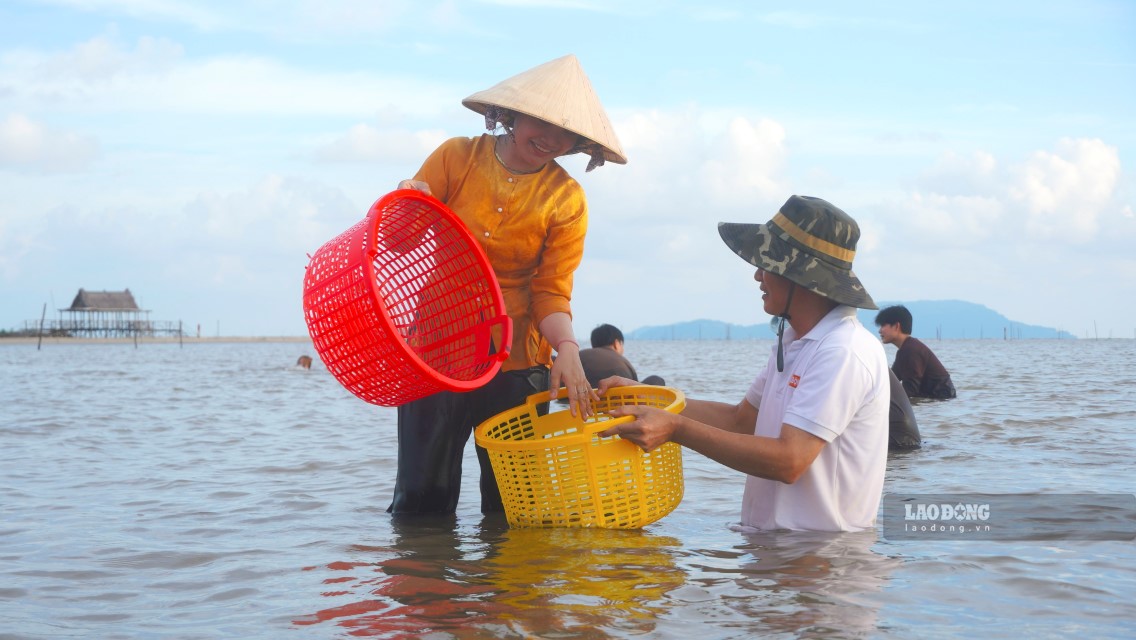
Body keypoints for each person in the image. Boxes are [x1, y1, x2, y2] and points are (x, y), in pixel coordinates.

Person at [390, 54, 626, 515]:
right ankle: (422, 585)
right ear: (511, 114)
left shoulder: (567, 199)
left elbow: (550, 292)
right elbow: (399, 241)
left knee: (513, 509)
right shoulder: (456, 157)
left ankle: (511, 588)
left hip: (517, 360)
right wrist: (406, 201)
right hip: (439, 352)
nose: (552, 140)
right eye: (543, 123)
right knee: (421, 503)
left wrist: (569, 350)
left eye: (566, 134)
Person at [598, 195, 890, 532]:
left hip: (822, 562)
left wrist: (675, 429)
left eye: (767, 265)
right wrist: (646, 397)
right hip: (776, 554)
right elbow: (741, 420)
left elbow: (789, 460)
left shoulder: (843, 350)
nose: (757, 276)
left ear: (800, 278)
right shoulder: (795, 342)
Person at [874, 305, 956, 400]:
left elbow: (910, 391)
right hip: (936, 401)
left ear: (897, 326)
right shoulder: (906, 349)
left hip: (942, 401)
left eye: (883, 325)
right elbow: (890, 381)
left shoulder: (911, 350)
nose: (879, 331)